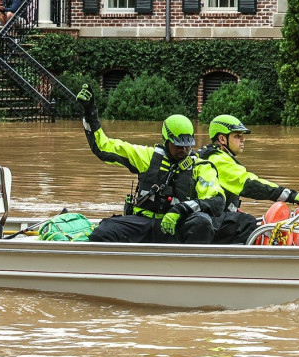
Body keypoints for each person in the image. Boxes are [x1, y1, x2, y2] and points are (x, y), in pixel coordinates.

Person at [76, 84, 225, 244]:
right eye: (178, 145)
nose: (184, 149)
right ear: (166, 141)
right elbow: (103, 147)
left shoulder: (201, 167)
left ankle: (187, 266)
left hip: (177, 226)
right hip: (143, 224)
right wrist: (90, 112)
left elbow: (216, 200)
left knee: (202, 223)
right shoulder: (146, 156)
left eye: (187, 145)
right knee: (104, 232)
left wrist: (180, 210)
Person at [197, 114, 299, 244]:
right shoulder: (217, 160)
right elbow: (250, 184)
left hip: (208, 220)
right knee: (247, 223)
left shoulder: (213, 155)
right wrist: (292, 195)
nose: (242, 140)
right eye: (237, 136)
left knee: (243, 221)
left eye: (242, 136)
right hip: (207, 223)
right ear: (222, 139)